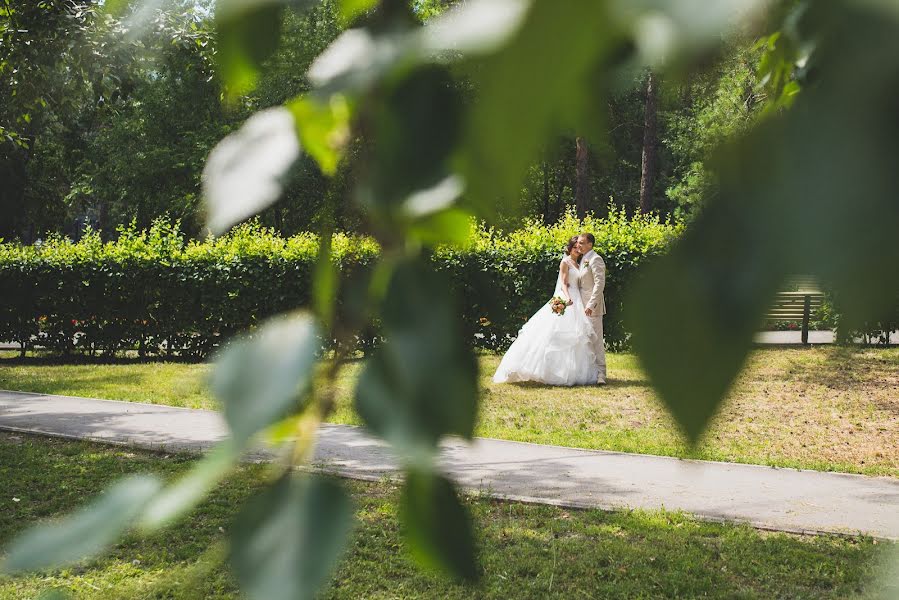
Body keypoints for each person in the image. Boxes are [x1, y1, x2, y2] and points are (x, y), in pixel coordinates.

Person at [492, 235, 600, 386]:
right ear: (570, 248)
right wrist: (567, 297)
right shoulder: (565, 262)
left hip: (579, 301)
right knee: (554, 333)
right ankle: (543, 369)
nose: (577, 249)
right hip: (567, 299)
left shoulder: (581, 262)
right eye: (574, 247)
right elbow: (563, 282)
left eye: (579, 247)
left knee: (576, 337)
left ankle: (573, 371)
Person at [576, 232, 607, 384]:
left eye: (582, 243)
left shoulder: (596, 259)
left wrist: (591, 304)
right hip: (580, 306)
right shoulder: (583, 260)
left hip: (592, 307)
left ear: (590, 244)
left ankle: (601, 374)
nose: (579, 245)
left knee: (596, 339)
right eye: (578, 243)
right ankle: (589, 372)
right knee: (584, 339)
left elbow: (599, 284)